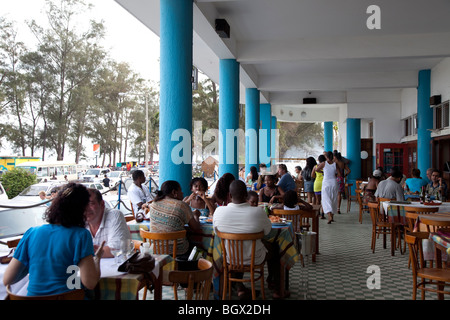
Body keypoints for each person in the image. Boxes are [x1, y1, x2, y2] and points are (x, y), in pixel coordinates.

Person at [3, 183, 105, 296]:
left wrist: (31, 264)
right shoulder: (81, 235)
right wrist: (97, 259)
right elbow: (90, 283)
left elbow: (7, 279)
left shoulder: (32, 233)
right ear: (82, 209)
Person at [213, 180, 282, 299]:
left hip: (229, 259)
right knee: (277, 248)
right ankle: (277, 290)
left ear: (229, 195)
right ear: (246, 195)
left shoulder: (219, 212)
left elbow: (215, 232)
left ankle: (239, 287)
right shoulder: (258, 212)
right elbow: (268, 231)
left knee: (234, 250)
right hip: (255, 258)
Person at [148, 180, 201, 259]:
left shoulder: (153, 204)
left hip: (156, 250)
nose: (182, 193)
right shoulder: (181, 205)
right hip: (178, 251)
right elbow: (195, 227)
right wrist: (196, 215)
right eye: (180, 190)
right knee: (199, 246)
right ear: (174, 192)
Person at [85, 188, 131, 258]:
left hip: (117, 267)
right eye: (83, 204)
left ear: (102, 204)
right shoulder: (80, 220)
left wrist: (84, 252)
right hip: (91, 267)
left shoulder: (114, 215)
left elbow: (117, 249)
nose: (86, 208)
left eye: (91, 203)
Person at [316, 151, 338, 224]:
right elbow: (339, 174)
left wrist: (323, 172)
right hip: (334, 182)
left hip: (326, 183)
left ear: (326, 157)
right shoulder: (335, 164)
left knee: (326, 199)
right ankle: (332, 216)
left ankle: (329, 216)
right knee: (333, 199)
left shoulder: (323, 163)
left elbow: (316, 169)